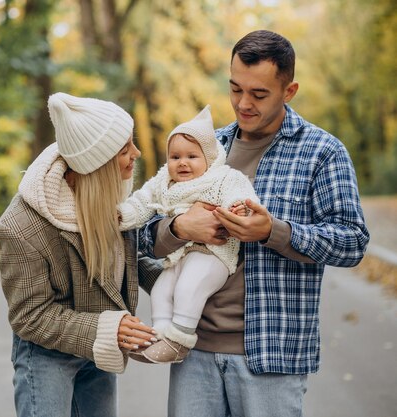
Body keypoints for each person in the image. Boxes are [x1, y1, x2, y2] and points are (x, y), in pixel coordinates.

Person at [140, 30, 370, 416]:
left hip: (271, 356)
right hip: (192, 350)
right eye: (235, 89)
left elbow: (353, 241)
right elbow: (144, 233)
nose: (243, 104)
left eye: (259, 94)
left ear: (289, 90)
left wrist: (273, 232)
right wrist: (179, 229)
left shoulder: (323, 153)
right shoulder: (203, 149)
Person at [0, 92, 162, 417]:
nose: (137, 154)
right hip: (47, 354)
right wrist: (109, 329)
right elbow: (29, 316)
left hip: (100, 350)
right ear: (98, 165)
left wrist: (180, 287)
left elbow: (130, 260)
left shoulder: (113, 192)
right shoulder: (21, 228)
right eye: (125, 149)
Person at [117, 105, 258, 364]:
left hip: (214, 254)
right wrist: (122, 215)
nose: (182, 162)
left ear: (209, 158)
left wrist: (240, 209)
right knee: (160, 289)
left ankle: (179, 340)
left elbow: (243, 196)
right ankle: (159, 335)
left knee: (188, 287)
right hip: (179, 255)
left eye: (192, 156)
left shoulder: (223, 177)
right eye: (175, 156)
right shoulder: (163, 181)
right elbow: (143, 201)